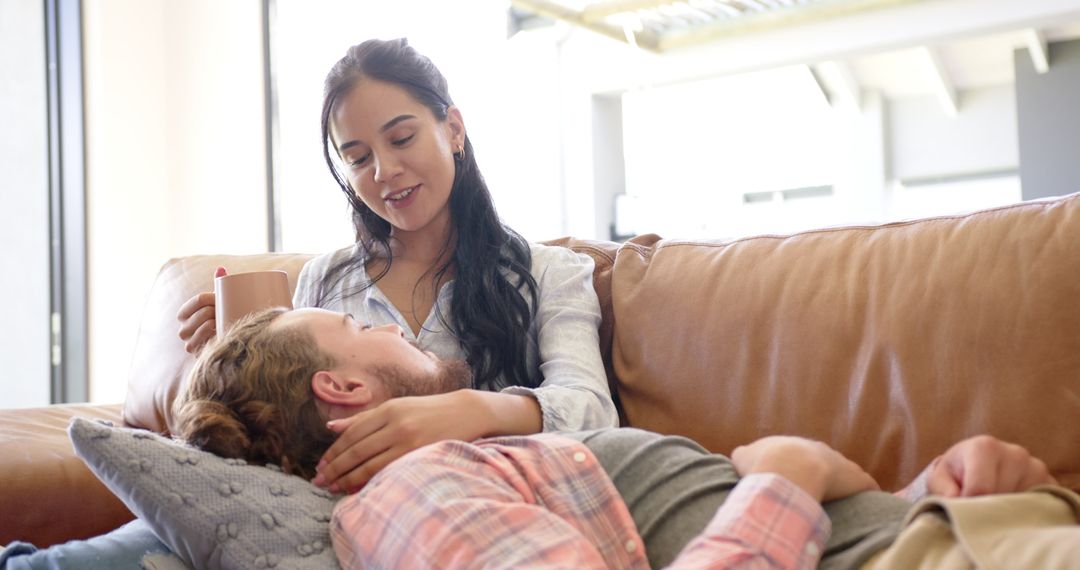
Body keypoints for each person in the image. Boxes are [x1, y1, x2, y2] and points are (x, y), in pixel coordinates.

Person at [174, 306, 1067, 569]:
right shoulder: (407, 497)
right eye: (354, 323)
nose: (387, 322)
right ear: (343, 387)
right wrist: (788, 475)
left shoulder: (471, 462)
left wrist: (933, 491)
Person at [175, 38, 618, 493]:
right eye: (359, 158)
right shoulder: (325, 281)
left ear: (453, 130)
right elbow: (284, 431)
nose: (384, 171)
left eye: (402, 138)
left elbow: (593, 411)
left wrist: (471, 410)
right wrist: (241, 349)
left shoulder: (549, 273)